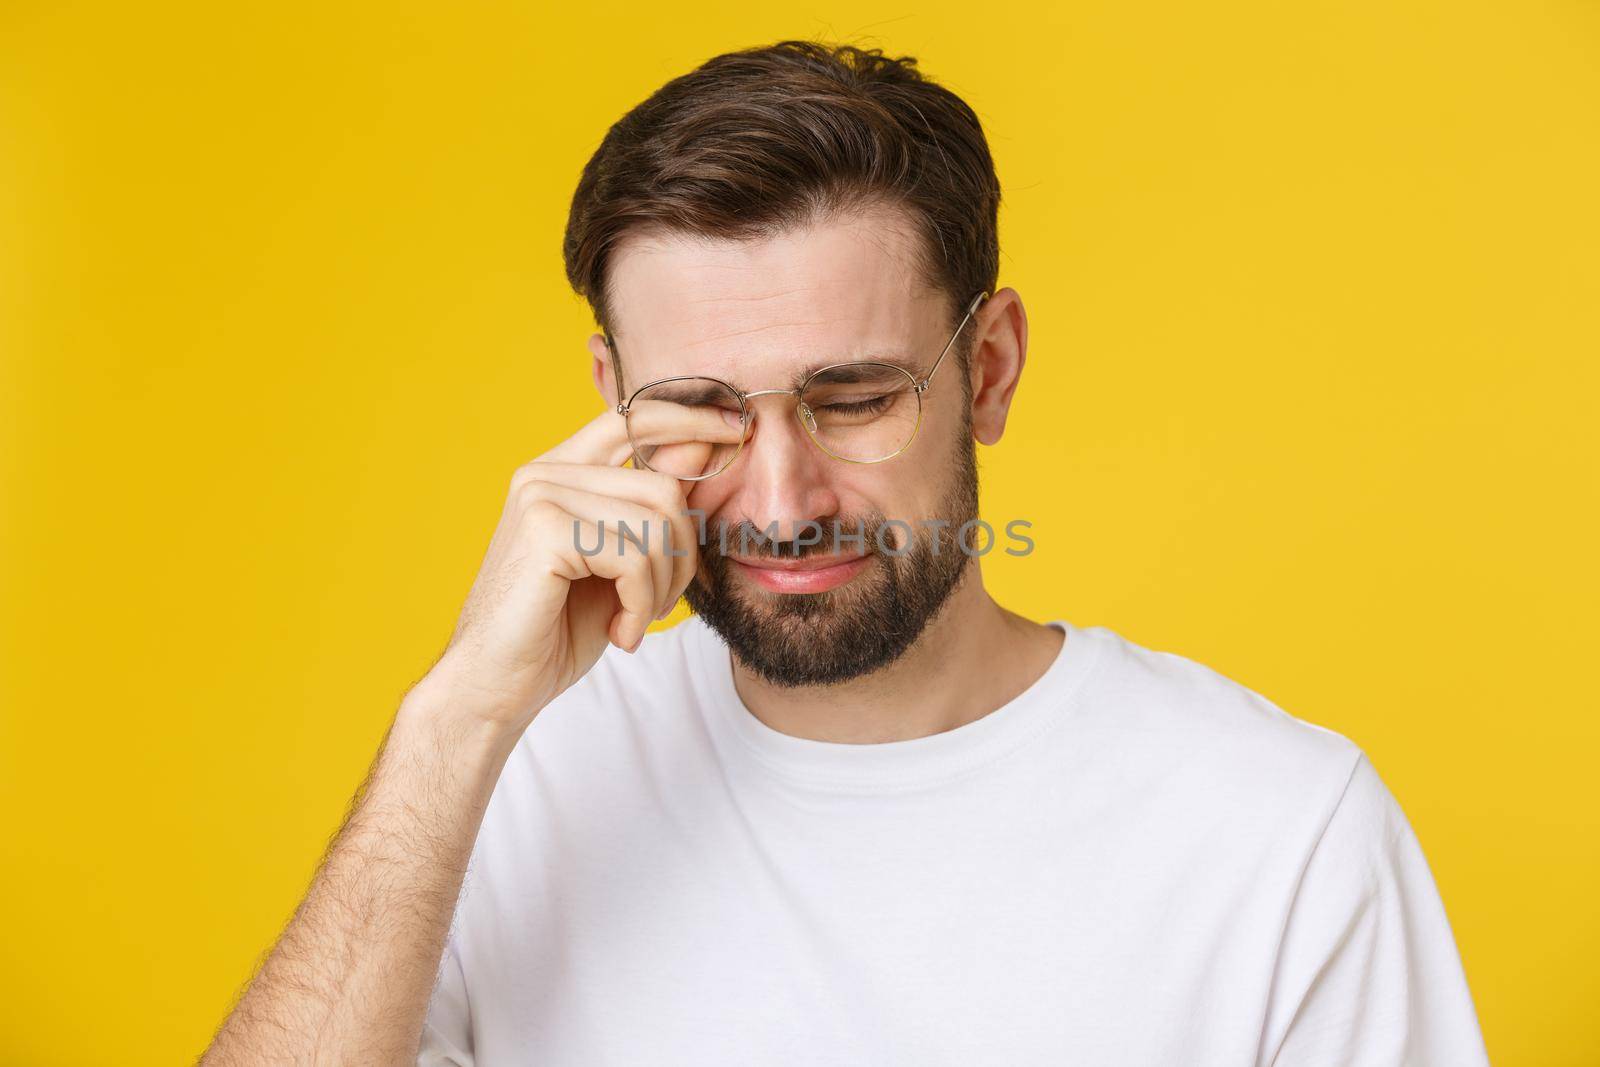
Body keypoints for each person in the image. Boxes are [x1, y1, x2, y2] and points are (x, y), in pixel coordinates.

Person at [200, 40, 1491, 1067]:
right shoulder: (506, 784)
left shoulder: (1280, 834)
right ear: (613, 395)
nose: (779, 497)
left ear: (987, 371)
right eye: (700, 407)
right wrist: (451, 721)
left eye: (857, 397)